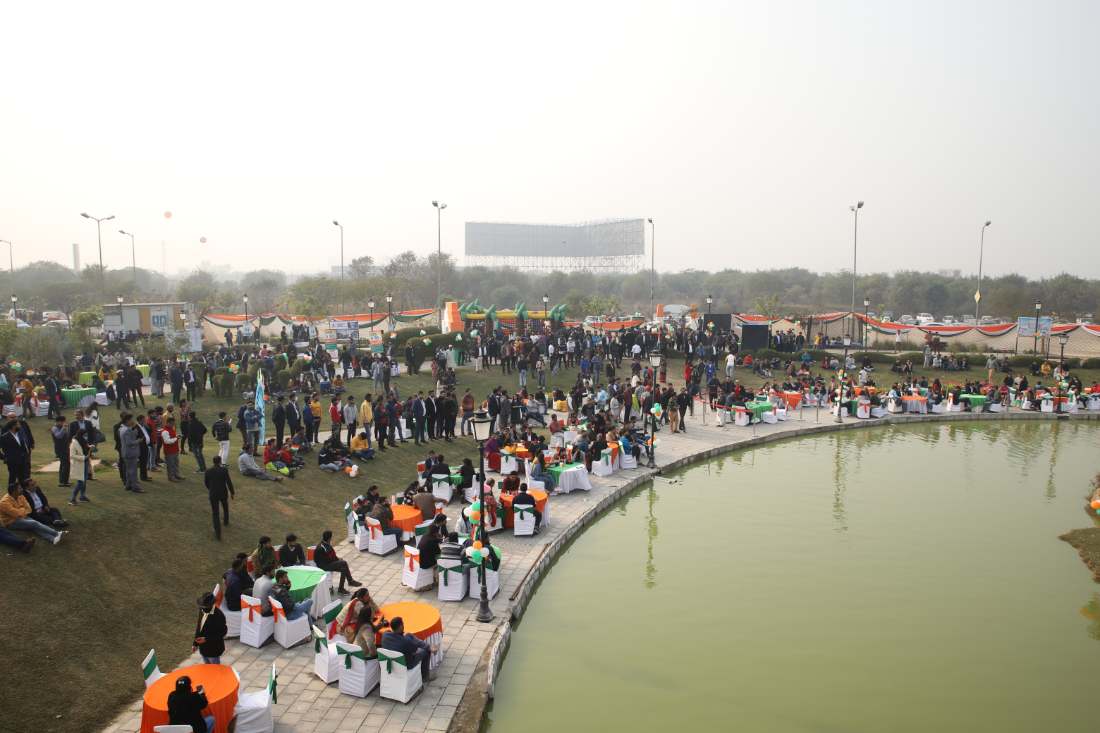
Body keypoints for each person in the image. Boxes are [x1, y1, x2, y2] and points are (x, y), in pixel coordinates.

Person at [380, 616, 434, 683]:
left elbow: (389, 633)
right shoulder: (405, 641)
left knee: (412, 640)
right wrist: (409, 637)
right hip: (406, 664)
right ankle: (425, 677)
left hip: (391, 663)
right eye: (402, 624)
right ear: (400, 626)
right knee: (426, 651)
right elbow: (414, 650)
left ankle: (427, 647)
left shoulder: (385, 636)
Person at [314, 529, 362, 594]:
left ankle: (342, 587)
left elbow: (332, 556)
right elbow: (329, 559)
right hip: (323, 566)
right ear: (329, 538)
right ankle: (349, 582)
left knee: (343, 568)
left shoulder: (325, 544)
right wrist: (338, 560)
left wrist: (337, 559)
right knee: (343, 563)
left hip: (327, 563)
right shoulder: (323, 547)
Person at [204, 455, 235, 540]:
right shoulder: (224, 470)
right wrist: (232, 492)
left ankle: (218, 533)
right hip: (223, 492)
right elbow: (229, 482)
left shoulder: (208, 471)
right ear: (220, 461)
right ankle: (226, 521)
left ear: (213, 462)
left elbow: (206, 483)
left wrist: (210, 489)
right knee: (225, 507)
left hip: (213, 493)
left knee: (215, 513)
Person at [193, 592, 228, 665]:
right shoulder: (202, 610)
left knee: (215, 670)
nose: (202, 608)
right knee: (207, 669)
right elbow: (199, 626)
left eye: (204, 606)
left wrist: (206, 639)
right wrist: (195, 644)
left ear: (210, 605)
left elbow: (223, 632)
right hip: (203, 649)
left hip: (213, 650)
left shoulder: (219, 615)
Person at [1, 420, 31, 488]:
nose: (20, 426)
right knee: (13, 478)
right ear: (13, 426)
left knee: (23, 478)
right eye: (18, 425)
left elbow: (23, 447)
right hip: (12, 462)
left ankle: (23, 492)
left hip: (22, 461)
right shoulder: (4, 437)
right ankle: (11, 492)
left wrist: (26, 456)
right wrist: (4, 457)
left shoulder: (20, 435)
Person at [68, 427, 90, 505]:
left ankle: (82, 496)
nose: (86, 437)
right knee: (80, 482)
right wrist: (83, 458)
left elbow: (84, 449)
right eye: (85, 435)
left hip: (85, 462)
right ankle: (72, 499)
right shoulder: (74, 443)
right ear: (81, 435)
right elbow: (72, 455)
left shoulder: (83, 441)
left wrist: (89, 447)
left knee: (84, 480)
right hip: (79, 464)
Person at [50, 416, 71, 487]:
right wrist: (63, 428)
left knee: (65, 464)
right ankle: (63, 482)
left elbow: (67, 436)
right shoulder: (54, 428)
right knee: (65, 464)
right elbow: (58, 436)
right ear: (59, 422)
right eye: (63, 422)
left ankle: (64, 481)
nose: (64, 423)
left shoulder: (62, 427)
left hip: (65, 448)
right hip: (60, 449)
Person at [161, 417, 183, 481]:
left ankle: (176, 474)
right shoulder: (165, 431)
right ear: (168, 423)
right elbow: (167, 441)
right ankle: (171, 477)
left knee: (176, 463)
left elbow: (172, 437)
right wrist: (176, 438)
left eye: (173, 423)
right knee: (170, 465)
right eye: (172, 423)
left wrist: (176, 436)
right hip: (169, 451)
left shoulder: (171, 429)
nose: (173, 425)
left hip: (175, 450)